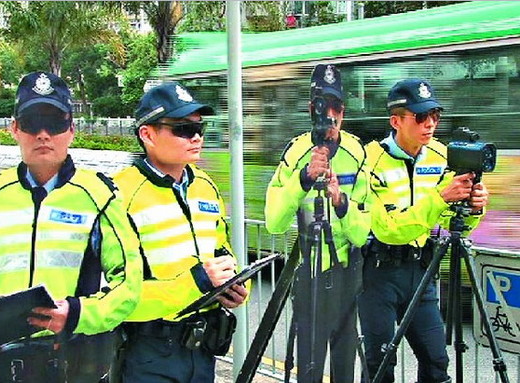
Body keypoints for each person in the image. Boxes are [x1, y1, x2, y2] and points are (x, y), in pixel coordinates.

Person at [0, 71, 143, 383]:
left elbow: (128, 283)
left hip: (73, 363)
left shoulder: (99, 196)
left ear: (72, 130)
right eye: (32, 122)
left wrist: (75, 315)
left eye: (55, 123)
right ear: (15, 129)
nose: (44, 134)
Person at [110, 82, 248, 382]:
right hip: (149, 351)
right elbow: (114, 297)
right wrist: (198, 281)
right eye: (183, 129)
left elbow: (220, 250)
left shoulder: (205, 185)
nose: (196, 137)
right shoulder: (119, 195)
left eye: (200, 128)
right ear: (147, 134)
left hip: (203, 348)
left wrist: (231, 286)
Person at [359, 78, 489, 383]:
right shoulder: (370, 161)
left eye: (435, 116)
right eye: (420, 117)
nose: (429, 124)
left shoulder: (443, 156)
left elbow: (451, 222)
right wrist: (441, 196)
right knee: (380, 365)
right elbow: (389, 228)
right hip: (377, 273)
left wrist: (474, 208)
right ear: (396, 121)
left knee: (436, 360)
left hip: (422, 268)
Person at [265, 64, 370, 383]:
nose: (331, 115)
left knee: (344, 370)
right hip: (310, 275)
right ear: (311, 109)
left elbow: (363, 232)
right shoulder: (295, 153)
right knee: (308, 371)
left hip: (348, 276)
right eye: (323, 106)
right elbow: (273, 222)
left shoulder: (357, 153)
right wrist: (303, 179)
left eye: (336, 106)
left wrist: (340, 203)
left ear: (344, 111)